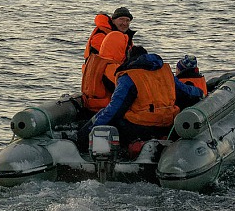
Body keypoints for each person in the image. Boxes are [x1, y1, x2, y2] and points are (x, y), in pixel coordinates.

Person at [76, 45, 204, 149]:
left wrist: (88, 130)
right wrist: (201, 92)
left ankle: (86, 143)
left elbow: (114, 109)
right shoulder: (165, 72)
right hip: (167, 123)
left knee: (108, 120)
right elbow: (187, 91)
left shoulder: (129, 77)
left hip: (140, 126)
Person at [81, 31, 130, 115]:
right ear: (119, 47)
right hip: (104, 108)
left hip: (91, 106)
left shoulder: (95, 61)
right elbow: (124, 90)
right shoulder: (111, 67)